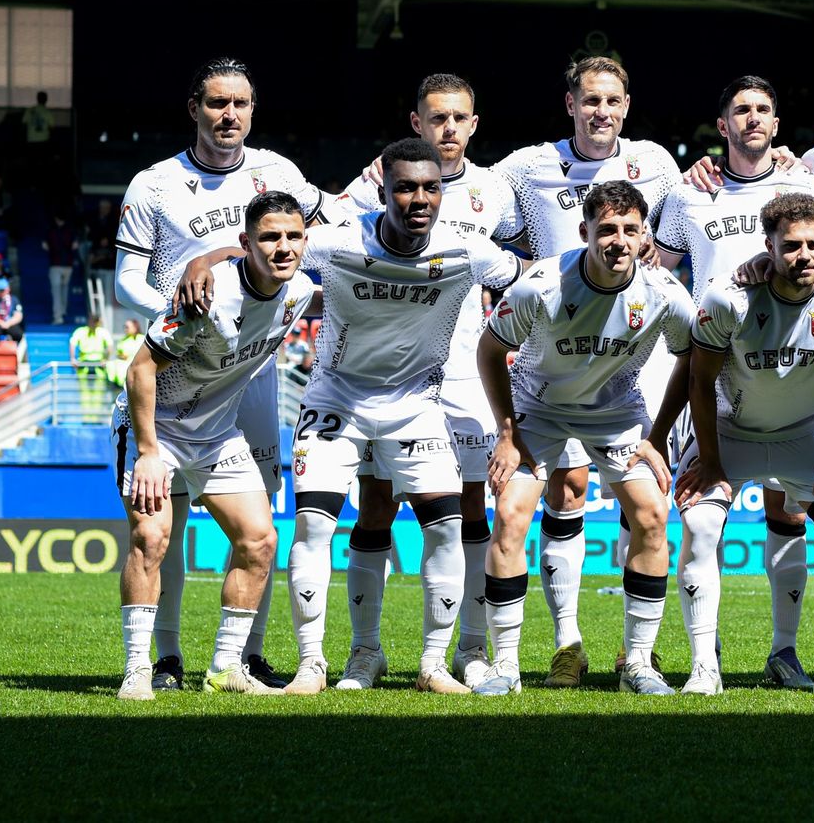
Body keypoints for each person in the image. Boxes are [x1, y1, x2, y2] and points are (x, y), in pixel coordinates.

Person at [115, 56, 328, 693]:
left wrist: (219, 255)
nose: (228, 114)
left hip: (246, 382)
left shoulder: (279, 174)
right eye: (215, 103)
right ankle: (162, 658)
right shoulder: (154, 184)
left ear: (253, 110)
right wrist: (185, 313)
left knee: (259, 529)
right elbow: (126, 279)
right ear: (195, 109)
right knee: (162, 527)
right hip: (178, 362)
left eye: (239, 103)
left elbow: (314, 241)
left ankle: (243, 658)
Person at [281, 138, 522, 696]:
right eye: (406, 187)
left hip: (416, 405)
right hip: (336, 398)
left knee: (447, 526)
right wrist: (207, 258)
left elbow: (528, 275)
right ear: (383, 191)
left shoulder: (469, 248)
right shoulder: (340, 239)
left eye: (431, 187)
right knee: (315, 525)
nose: (420, 198)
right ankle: (323, 662)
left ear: (443, 191)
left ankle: (434, 664)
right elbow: (268, 249)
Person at [485, 57, 681, 688]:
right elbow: (466, 211)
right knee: (528, 510)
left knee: (650, 517)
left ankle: (639, 663)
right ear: (570, 103)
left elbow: (698, 350)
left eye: (613, 100)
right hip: (542, 387)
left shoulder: (658, 166)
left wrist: (659, 431)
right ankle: (519, 661)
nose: (602, 110)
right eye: (590, 99)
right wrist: (507, 430)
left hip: (618, 394)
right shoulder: (526, 169)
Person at [654, 76, 814, 690]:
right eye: (740, 111)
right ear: (722, 124)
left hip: (794, 377)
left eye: (763, 110)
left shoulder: (805, 184)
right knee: (702, 518)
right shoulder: (687, 192)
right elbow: (658, 266)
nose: (752, 119)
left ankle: (785, 655)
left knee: (788, 517)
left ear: (777, 124)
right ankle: (705, 657)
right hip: (716, 378)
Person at [674, 194, 814, 695]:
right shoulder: (728, 296)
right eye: (791, 246)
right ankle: (704, 665)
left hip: (804, 434)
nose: (804, 255)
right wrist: (713, 463)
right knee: (699, 523)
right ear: (768, 246)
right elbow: (699, 382)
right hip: (730, 432)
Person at [70, 312, 114, 422]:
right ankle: (87, 418)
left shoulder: (102, 332)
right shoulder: (81, 331)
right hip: (85, 364)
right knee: (85, 393)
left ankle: (95, 418)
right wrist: (73, 358)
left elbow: (110, 346)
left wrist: (106, 359)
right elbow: (72, 343)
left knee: (97, 393)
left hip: (98, 364)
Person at [44, 212, 80, 326]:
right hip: (67, 265)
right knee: (64, 289)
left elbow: (44, 246)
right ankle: (63, 312)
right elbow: (75, 246)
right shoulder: (72, 231)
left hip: (55, 264)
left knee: (56, 291)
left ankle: (58, 317)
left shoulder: (50, 230)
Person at [107, 318, 142, 387]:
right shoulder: (122, 340)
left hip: (139, 371)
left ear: (135, 327)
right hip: (124, 373)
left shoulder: (142, 338)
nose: (125, 329)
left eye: (127, 327)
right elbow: (119, 354)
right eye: (124, 327)